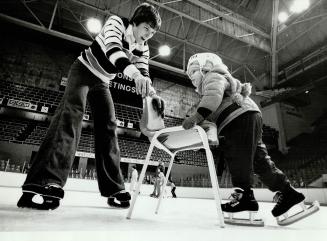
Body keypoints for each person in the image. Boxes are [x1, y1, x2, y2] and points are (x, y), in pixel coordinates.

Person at [17, 3, 164, 210]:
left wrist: (149, 89)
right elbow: (114, 51)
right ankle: (43, 181)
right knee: (70, 116)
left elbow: (143, 70)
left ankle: (114, 188)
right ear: (135, 23)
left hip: (103, 82)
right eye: (146, 29)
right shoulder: (116, 23)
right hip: (83, 70)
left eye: (153, 32)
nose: (148, 35)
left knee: (109, 125)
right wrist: (137, 75)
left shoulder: (143, 46)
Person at [182, 52, 311, 225]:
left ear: (206, 67)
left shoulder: (212, 77)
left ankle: (245, 197)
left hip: (237, 119)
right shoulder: (218, 80)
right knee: (260, 162)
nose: (190, 77)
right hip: (249, 115)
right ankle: (288, 193)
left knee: (238, 157)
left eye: (193, 71)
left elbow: (213, 96)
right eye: (189, 74)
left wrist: (196, 117)